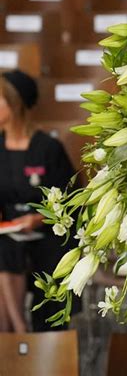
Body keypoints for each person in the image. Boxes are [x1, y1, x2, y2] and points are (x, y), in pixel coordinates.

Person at [0, 69, 77, 332]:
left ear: (15, 103)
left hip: (46, 231)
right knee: (4, 247)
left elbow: (69, 200)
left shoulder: (47, 148)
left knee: (54, 257)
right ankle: (16, 333)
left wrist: (38, 218)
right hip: (8, 231)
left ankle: (26, 339)